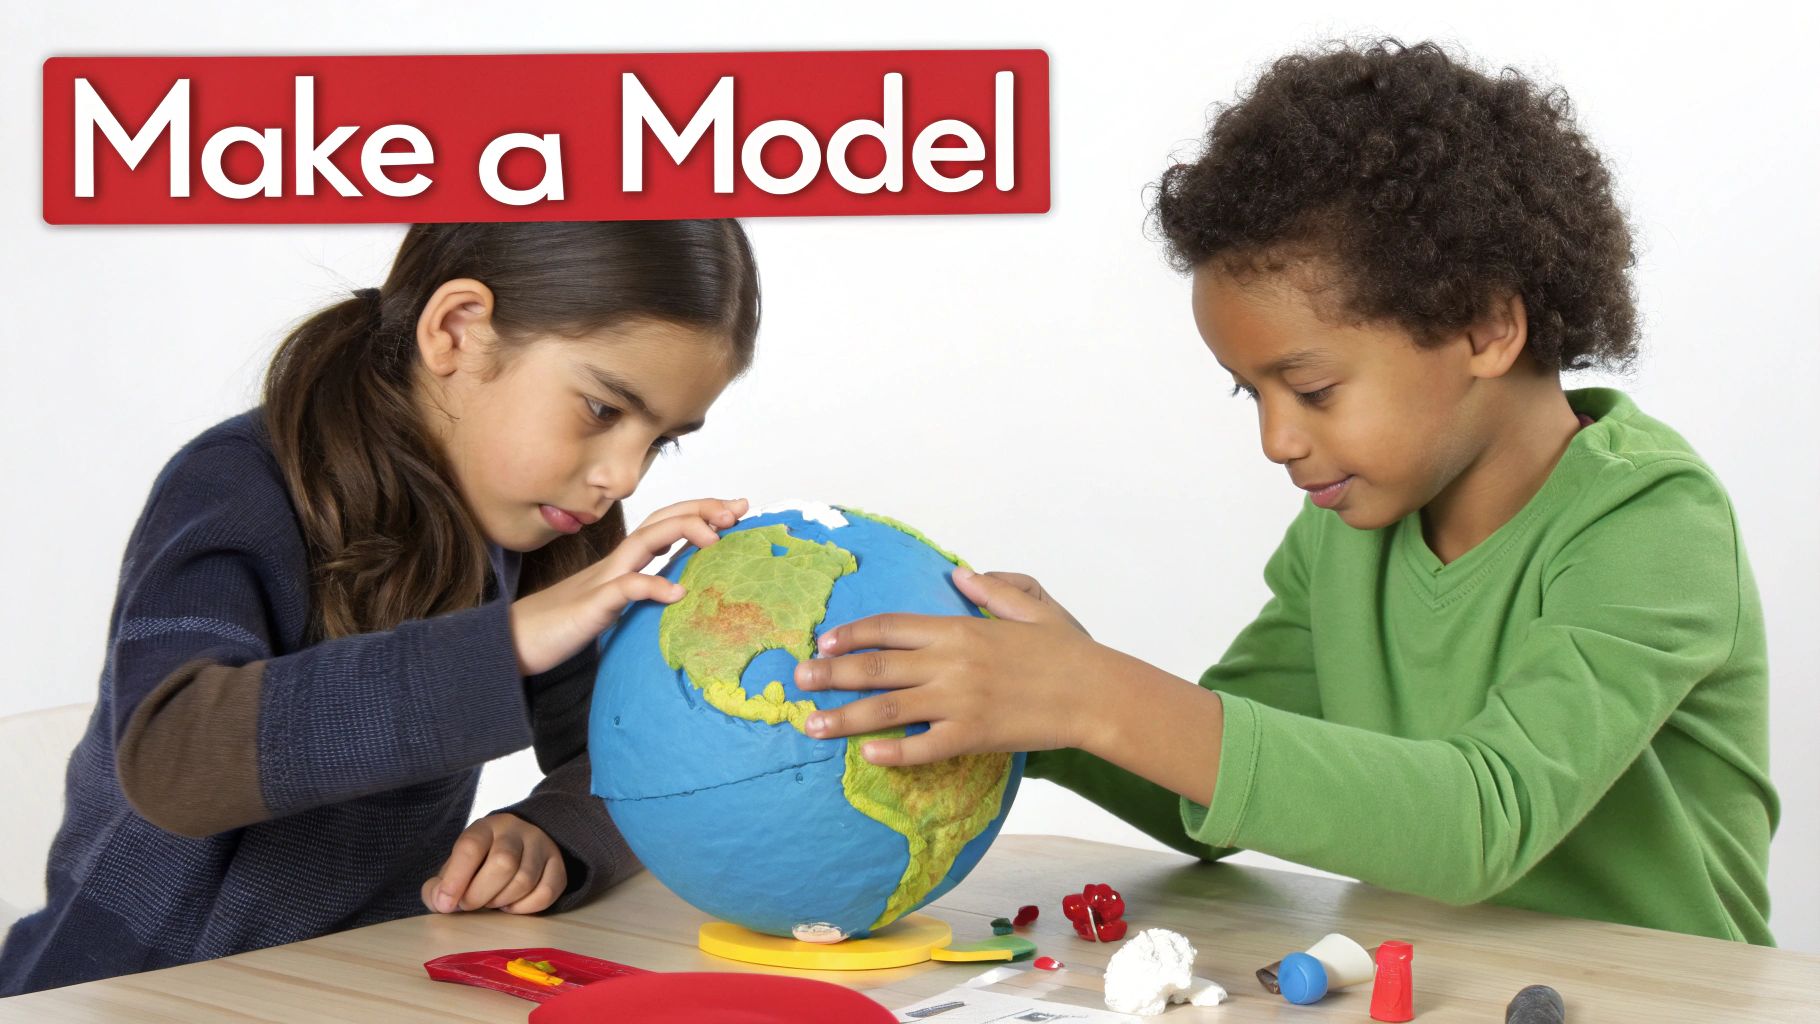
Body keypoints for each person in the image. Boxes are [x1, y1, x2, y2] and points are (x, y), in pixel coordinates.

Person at [794, 41, 1777, 944]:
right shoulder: (1346, 531)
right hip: (1417, 990)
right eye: (1249, 393)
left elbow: (1483, 818)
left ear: (1484, 326)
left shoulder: (1650, 522)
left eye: (1310, 389)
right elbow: (1211, 788)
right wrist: (1042, 703)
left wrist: (1097, 697)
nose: (1275, 440)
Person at [1, 219, 760, 994]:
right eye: (602, 410)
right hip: (118, 992)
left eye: (659, 440)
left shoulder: (555, 525)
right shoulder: (237, 482)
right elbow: (171, 757)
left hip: (356, 986)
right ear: (457, 330)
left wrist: (555, 835)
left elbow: (630, 757)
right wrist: (509, 642)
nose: (625, 478)